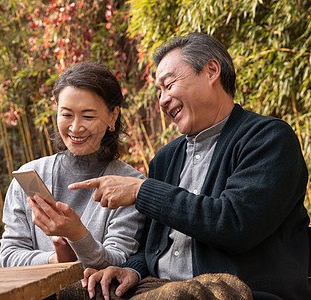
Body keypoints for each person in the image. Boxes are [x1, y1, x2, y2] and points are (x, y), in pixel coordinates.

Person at [69, 33, 311, 299]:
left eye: (169, 84)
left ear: (211, 71)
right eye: (158, 91)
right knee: (77, 292)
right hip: (161, 288)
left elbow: (234, 224)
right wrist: (132, 270)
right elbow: (152, 245)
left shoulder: (269, 139)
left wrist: (142, 191)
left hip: (240, 291)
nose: (162, 100)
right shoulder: (165, 158)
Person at [0, 62, 146, 270]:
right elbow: (8, 257)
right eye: (66, 114)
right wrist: (57, 260)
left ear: (112, 116)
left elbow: (120, 262)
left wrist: (78, 235)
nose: (75, 128)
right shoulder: (29, 177)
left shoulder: (130, 185)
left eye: (88, 116)